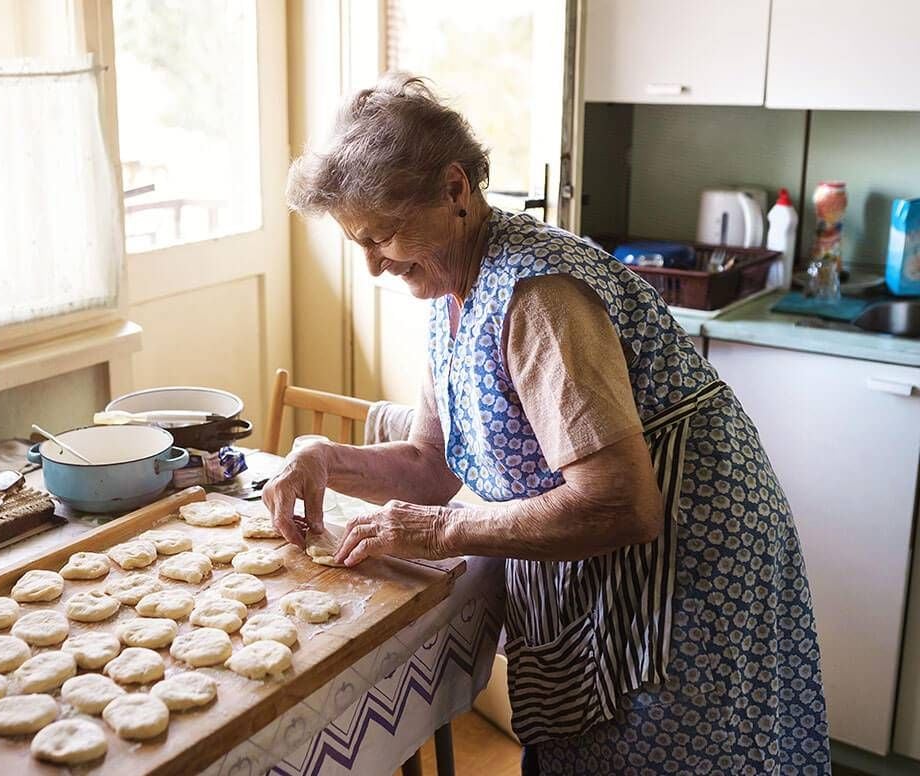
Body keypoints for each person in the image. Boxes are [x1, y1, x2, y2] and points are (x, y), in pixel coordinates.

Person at [263, 73, 830, 775]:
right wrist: (326, 457)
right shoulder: (449, 288)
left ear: (453, 190)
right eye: (361, 244)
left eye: (383, 237)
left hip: (690, 563)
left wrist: (437, 530)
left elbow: (621, 501)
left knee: (670, 754)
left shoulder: (538, 295)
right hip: (613, 555)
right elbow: (432, 463)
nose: (375, 265)